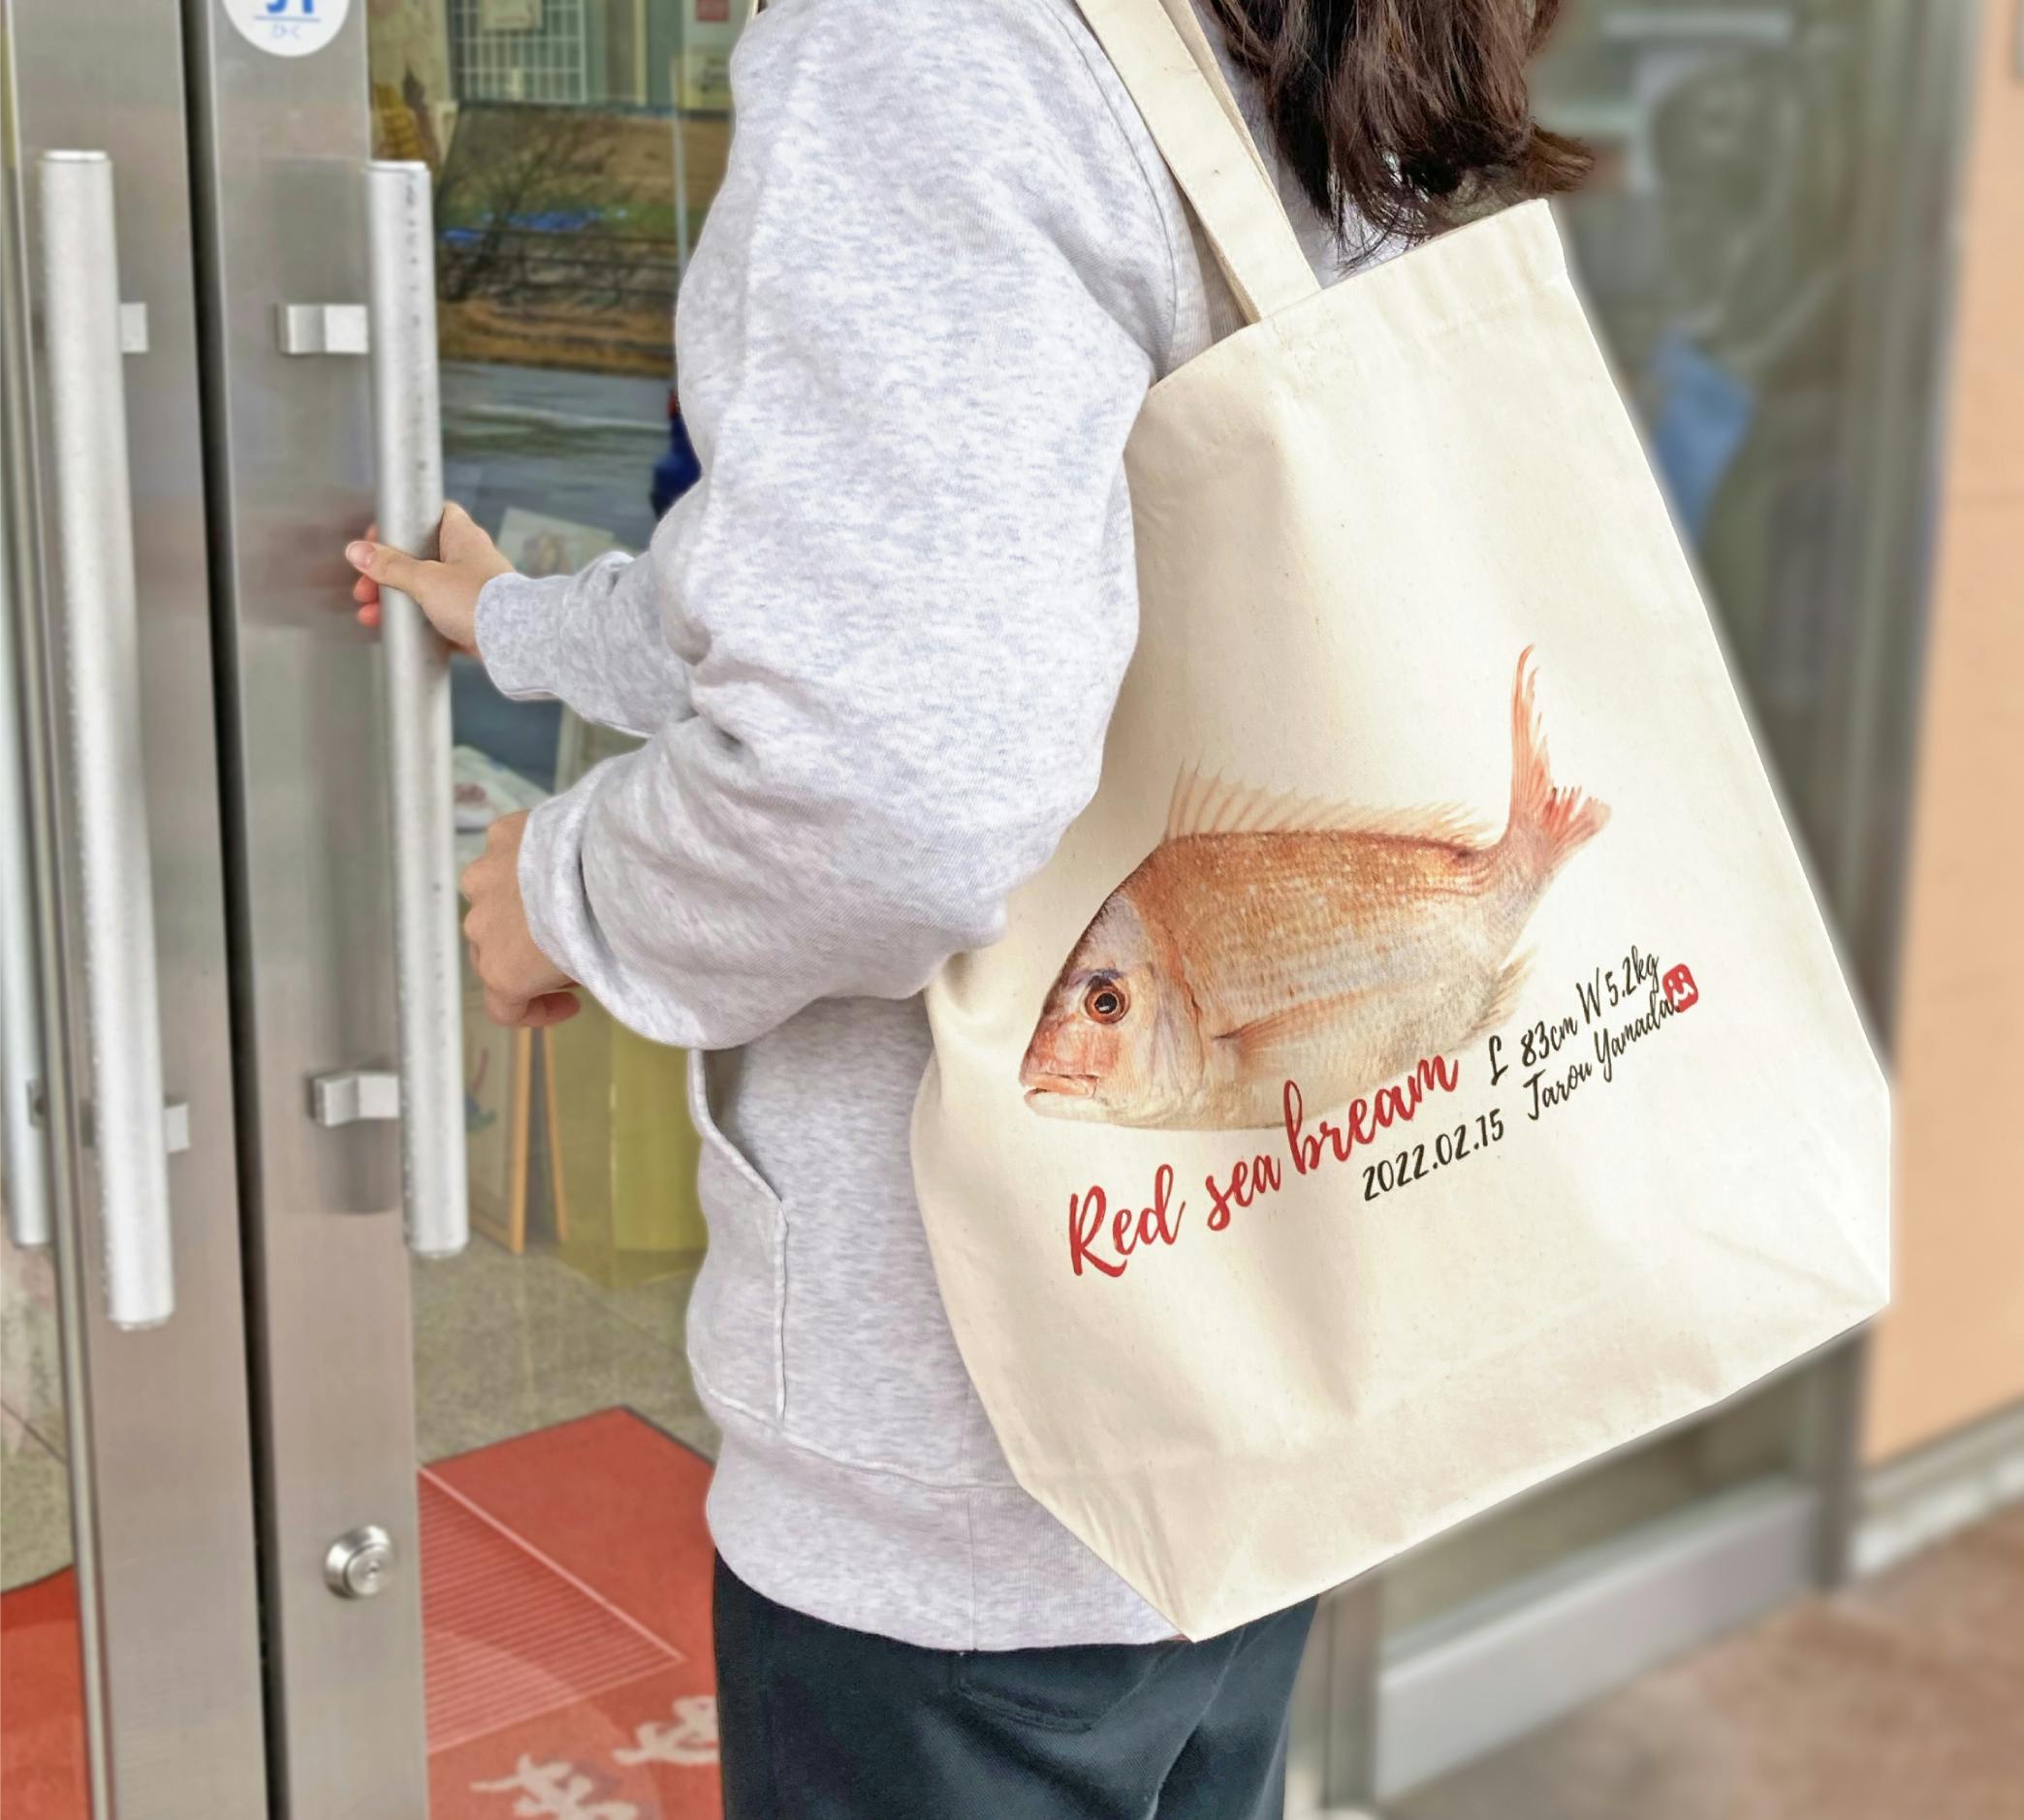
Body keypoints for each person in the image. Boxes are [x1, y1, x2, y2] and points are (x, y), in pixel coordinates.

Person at [343, 1, 1585, 1812]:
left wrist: (564, 891)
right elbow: (944, 584)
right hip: (1253, 1362)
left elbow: (886, 779)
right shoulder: (1250, 45)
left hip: (974, 1475)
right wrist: (529, 624)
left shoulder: (925, 39)